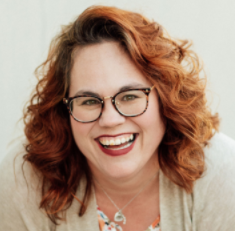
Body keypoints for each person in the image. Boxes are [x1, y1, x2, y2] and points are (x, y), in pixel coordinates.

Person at [0, 5, 235, 231]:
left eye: (130, 96)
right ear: (64, 111)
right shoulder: (24, 179)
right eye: (89, 101)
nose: (110, 120)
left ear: (166, 99)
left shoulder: (223, 175)